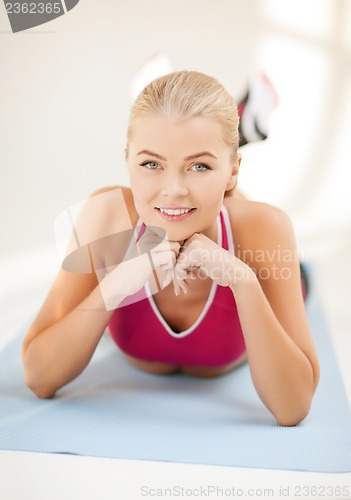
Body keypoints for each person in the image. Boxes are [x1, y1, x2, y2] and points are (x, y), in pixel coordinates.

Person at [21, 70, 320, 427]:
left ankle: (228, 138)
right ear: (127, 161)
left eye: (199, 165)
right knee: (191, 183)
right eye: (150, 163)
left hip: (252, 240)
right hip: (201, 198)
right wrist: (116, 284)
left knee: (215, 201)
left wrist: (242, 280)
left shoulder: (266, 228)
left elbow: (293, 408)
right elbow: (38, 378)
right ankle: (223, 136)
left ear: (234, 171)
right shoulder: (106, 216)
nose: (173, 188)